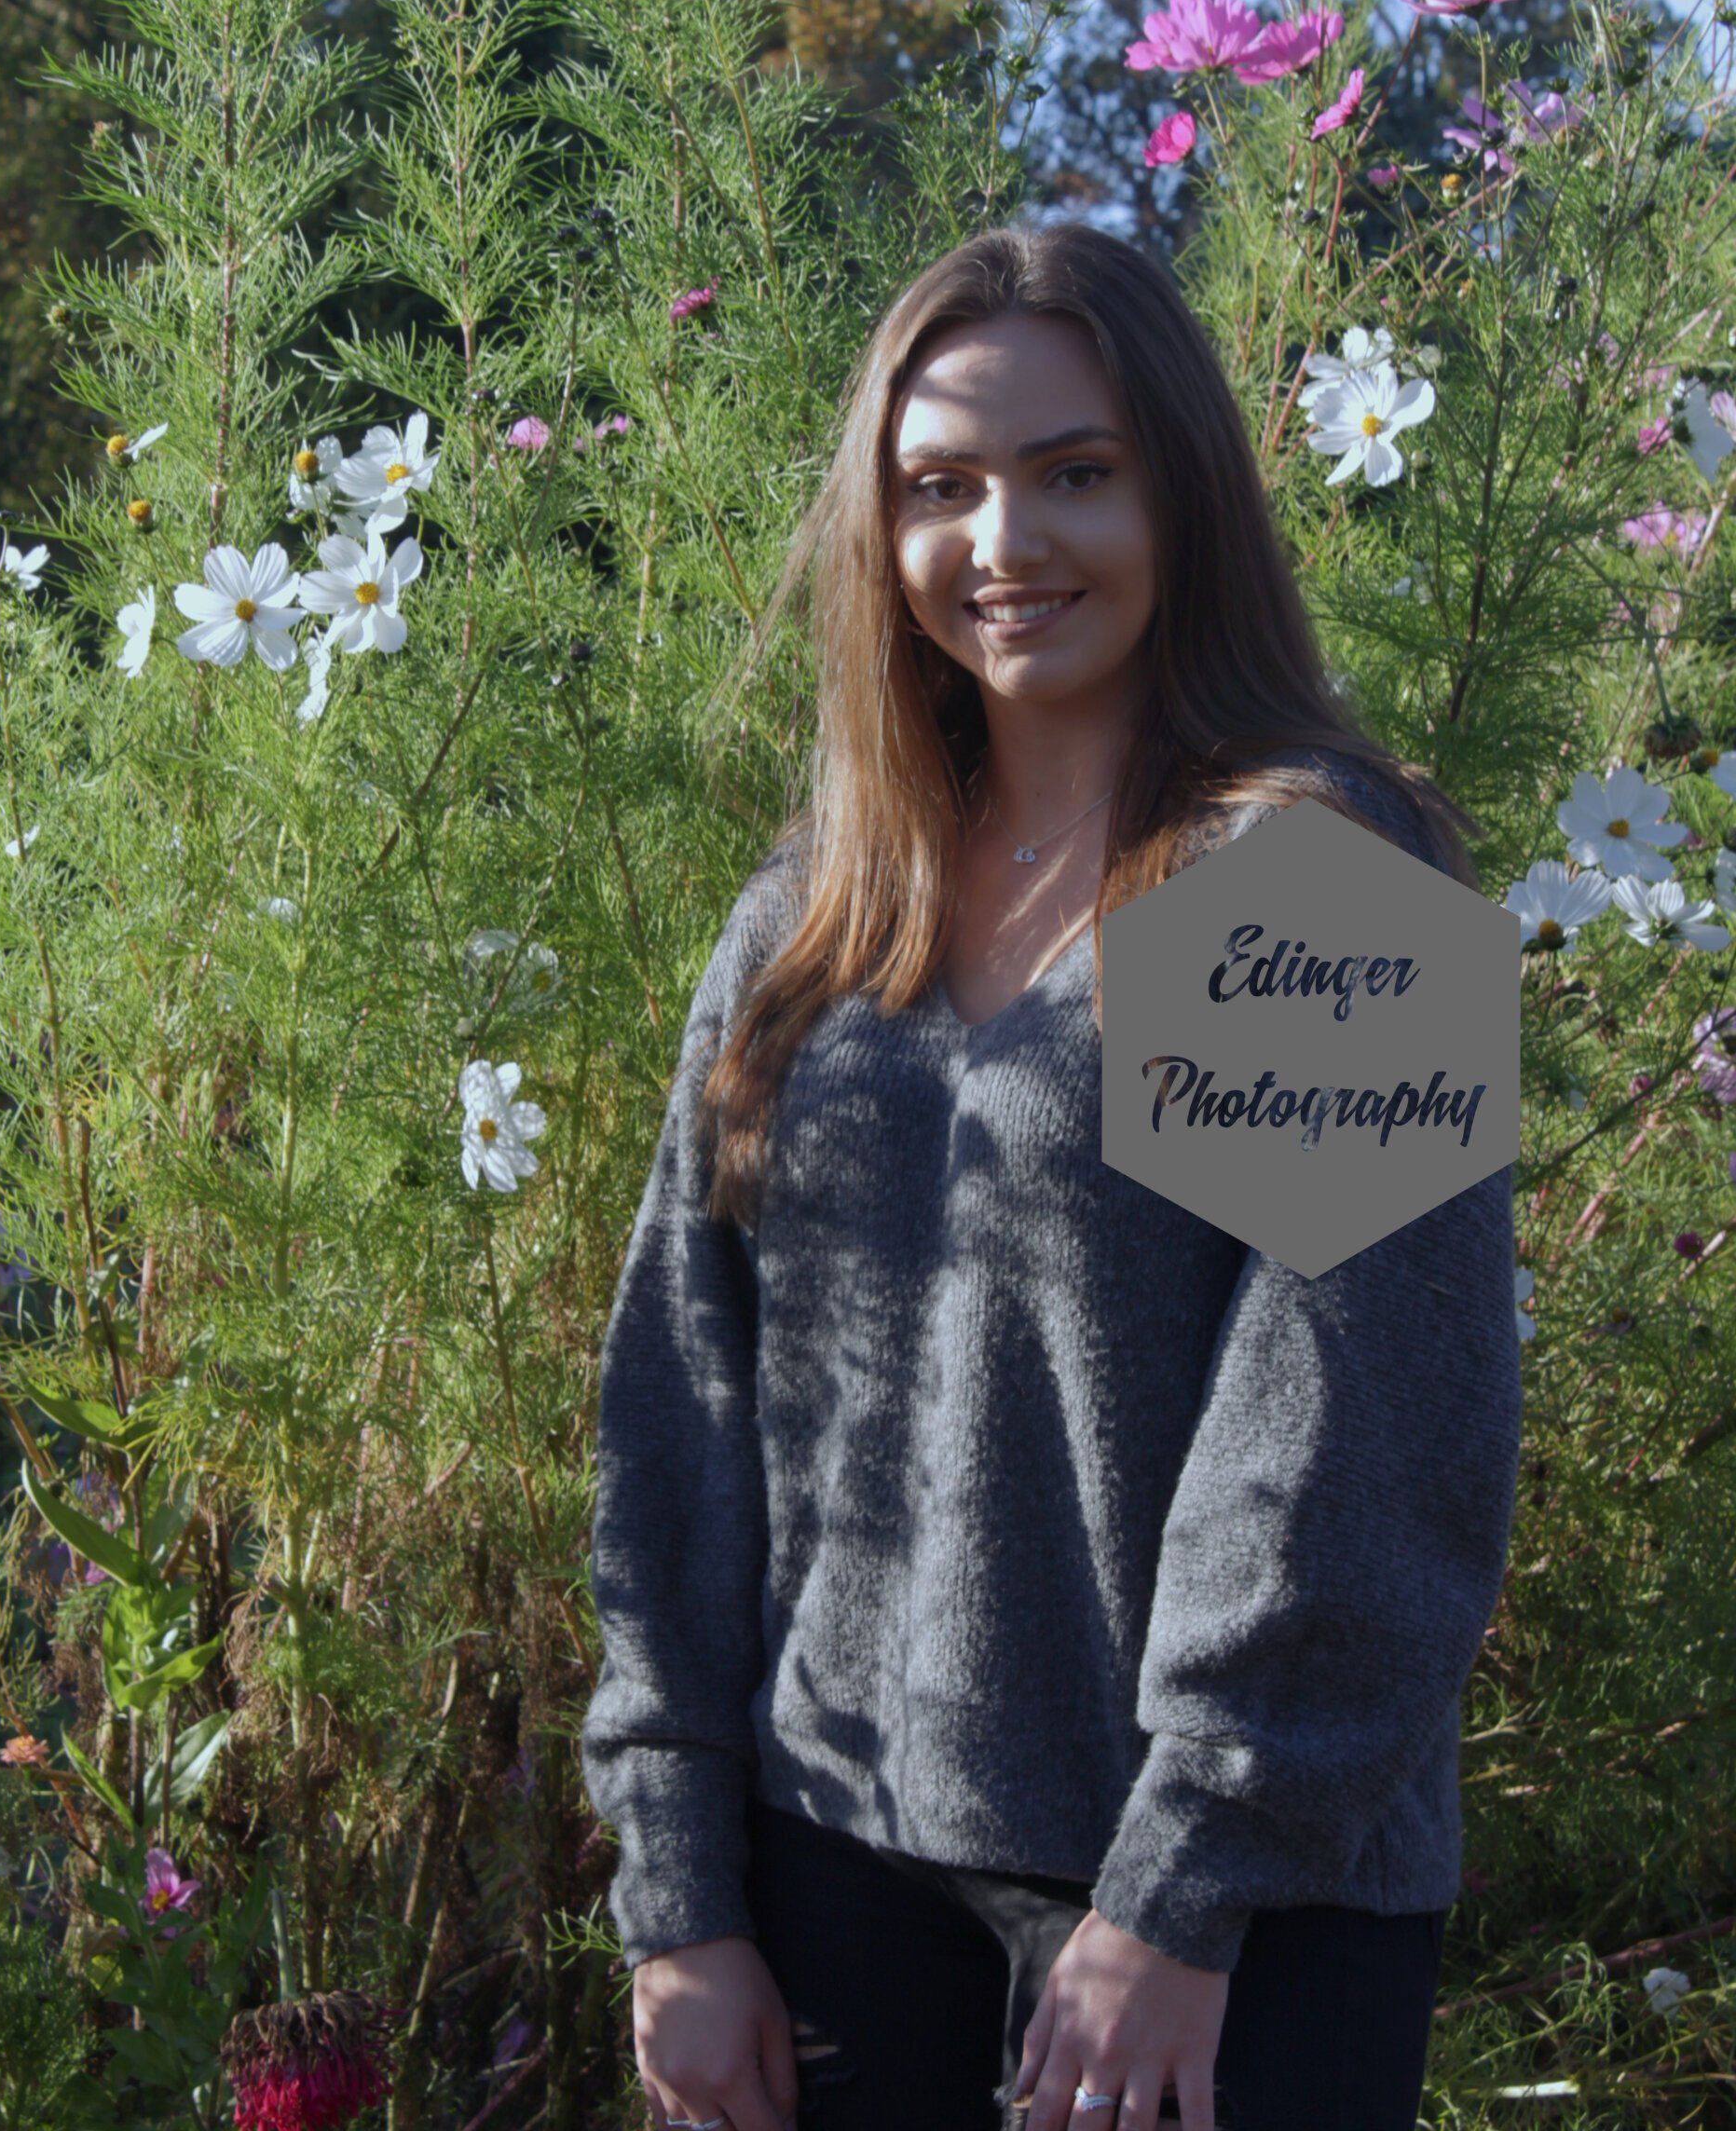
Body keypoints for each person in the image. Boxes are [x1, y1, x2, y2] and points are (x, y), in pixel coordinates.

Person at [580, 224, 1523, 2131]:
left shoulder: (1312, 880)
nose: (1004, 541)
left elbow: (1372, 1436)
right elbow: (681, 1402)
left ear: (1183, 492)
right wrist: (678, 1889)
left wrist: (1180, 1887)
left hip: (1223, 1921)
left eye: (1075, 472)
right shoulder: (819, 914)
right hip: (831, 1865)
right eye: (941, 486)